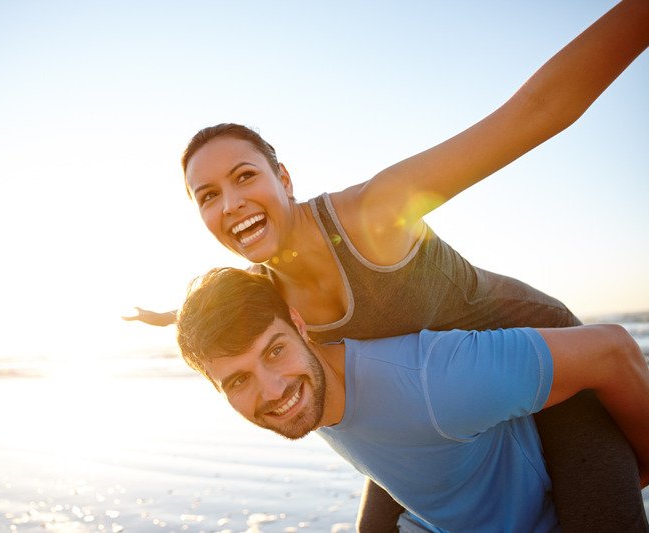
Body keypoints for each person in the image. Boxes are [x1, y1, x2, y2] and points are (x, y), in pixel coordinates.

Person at [124, 1, 649, 530]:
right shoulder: (267, 295)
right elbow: (223, 317)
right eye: (208, 195)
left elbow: (537, 110)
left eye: (244, 176)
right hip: (429, 409)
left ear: (283, 177)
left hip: (540, 351)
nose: (230, 204)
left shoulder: (373, 217)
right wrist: (170, 316)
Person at [175, 267, 649, 532]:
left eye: (275, 351)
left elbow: (612, 350)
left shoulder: (435, 381)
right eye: (238, 381)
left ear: (301, 327)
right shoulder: (307, 389)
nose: (272, 389)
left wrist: (640, 469)